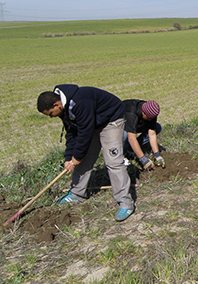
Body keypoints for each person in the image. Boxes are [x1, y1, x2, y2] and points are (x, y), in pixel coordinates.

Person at [37, 85, 135, 222]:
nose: (52, 117)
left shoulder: (79, 101)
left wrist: (76, 157)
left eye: (51, 114)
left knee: (113, 161)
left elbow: (84, 133)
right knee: (85, 158)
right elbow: (72, 133)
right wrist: (69, 158)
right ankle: (77, 194)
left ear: (56, 104)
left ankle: (126, 203)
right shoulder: (64, 109)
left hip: (111, 120)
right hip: (92, 123)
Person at [122, 99, 164, 170]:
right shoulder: (131, 114)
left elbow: (152, 133)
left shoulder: (151, 111)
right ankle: (121, 155)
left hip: (136, 124)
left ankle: (130, 149)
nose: (150, 120)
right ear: (143, 113)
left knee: (157, 127)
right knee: (124, 135)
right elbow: (132, 138)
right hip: (121, 125)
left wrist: (157, 155)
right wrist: (143, 159)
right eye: (148, 118)